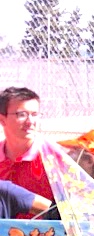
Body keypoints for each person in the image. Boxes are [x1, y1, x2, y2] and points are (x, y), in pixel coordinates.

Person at [0, 86, 66, 218]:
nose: (30, 122)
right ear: (2, 119)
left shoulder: (54, 158)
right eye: (22, 115)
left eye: (35, 114)